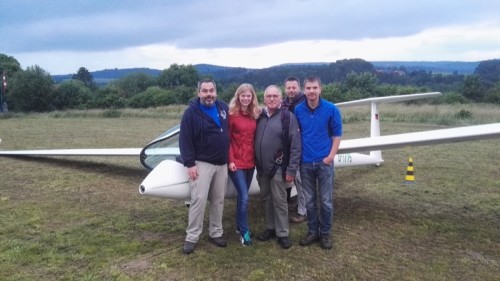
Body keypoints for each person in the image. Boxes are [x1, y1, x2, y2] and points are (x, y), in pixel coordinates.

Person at [179, 78, 230, 255]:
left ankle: (216, 233)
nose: (209, 94)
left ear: (216, 92)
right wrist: (190, 164)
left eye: (211, 91)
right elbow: (184, 140)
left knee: (218, 200)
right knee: (198, 200)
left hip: (222, 164)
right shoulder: (191, 113)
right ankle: (192, 237)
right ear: (199, 93)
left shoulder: (223, 107)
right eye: (205, 91)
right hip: (202, 164)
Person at [294, 76, 342, 250]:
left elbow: (337, 135)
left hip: (324, 162)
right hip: (305, 163)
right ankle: (313, 231)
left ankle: (326, 233)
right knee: (310, 201)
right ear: (304, 90)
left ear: (320, 89)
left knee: (326, 200)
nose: (311, 91)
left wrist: (330, 157)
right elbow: (296, 134)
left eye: (314, 88)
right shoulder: (298, 110)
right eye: (308, 88)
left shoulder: (331, 109)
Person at [254, 85, 301, 249]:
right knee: (266, 199)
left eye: (275, 96)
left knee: (280, 201)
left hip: (279, 167)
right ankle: (270, 228)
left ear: (281, 98)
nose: (272, 99)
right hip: (262, 167)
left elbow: (296, 145)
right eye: (269, 96)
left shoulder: (287, 117)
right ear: (264, 98)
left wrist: (291, 170)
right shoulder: (260, 116)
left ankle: (283, 233)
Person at [228, 83, 261, 246]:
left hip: (250, 161)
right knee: (245, 197)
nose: (246, 98)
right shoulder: (232, 115)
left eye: (249, 95)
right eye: (243, 95)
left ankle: (238, 226)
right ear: (238, 96)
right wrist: (230, 160)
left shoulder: (255, 114)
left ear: (252, 97)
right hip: (237, 163)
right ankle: (244, 233)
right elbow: (226, 140)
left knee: (243, 197)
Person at [281, 76, 307, 224]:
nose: (291, 90)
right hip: (288, 147)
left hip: (302, 147)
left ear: (299, 88)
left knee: (300, 180)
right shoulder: (283, 104)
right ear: (285, 89)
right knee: (292, 177)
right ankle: (292, 200)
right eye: (289, 88)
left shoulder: (305, 102)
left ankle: (303, 211)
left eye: (294, 87)